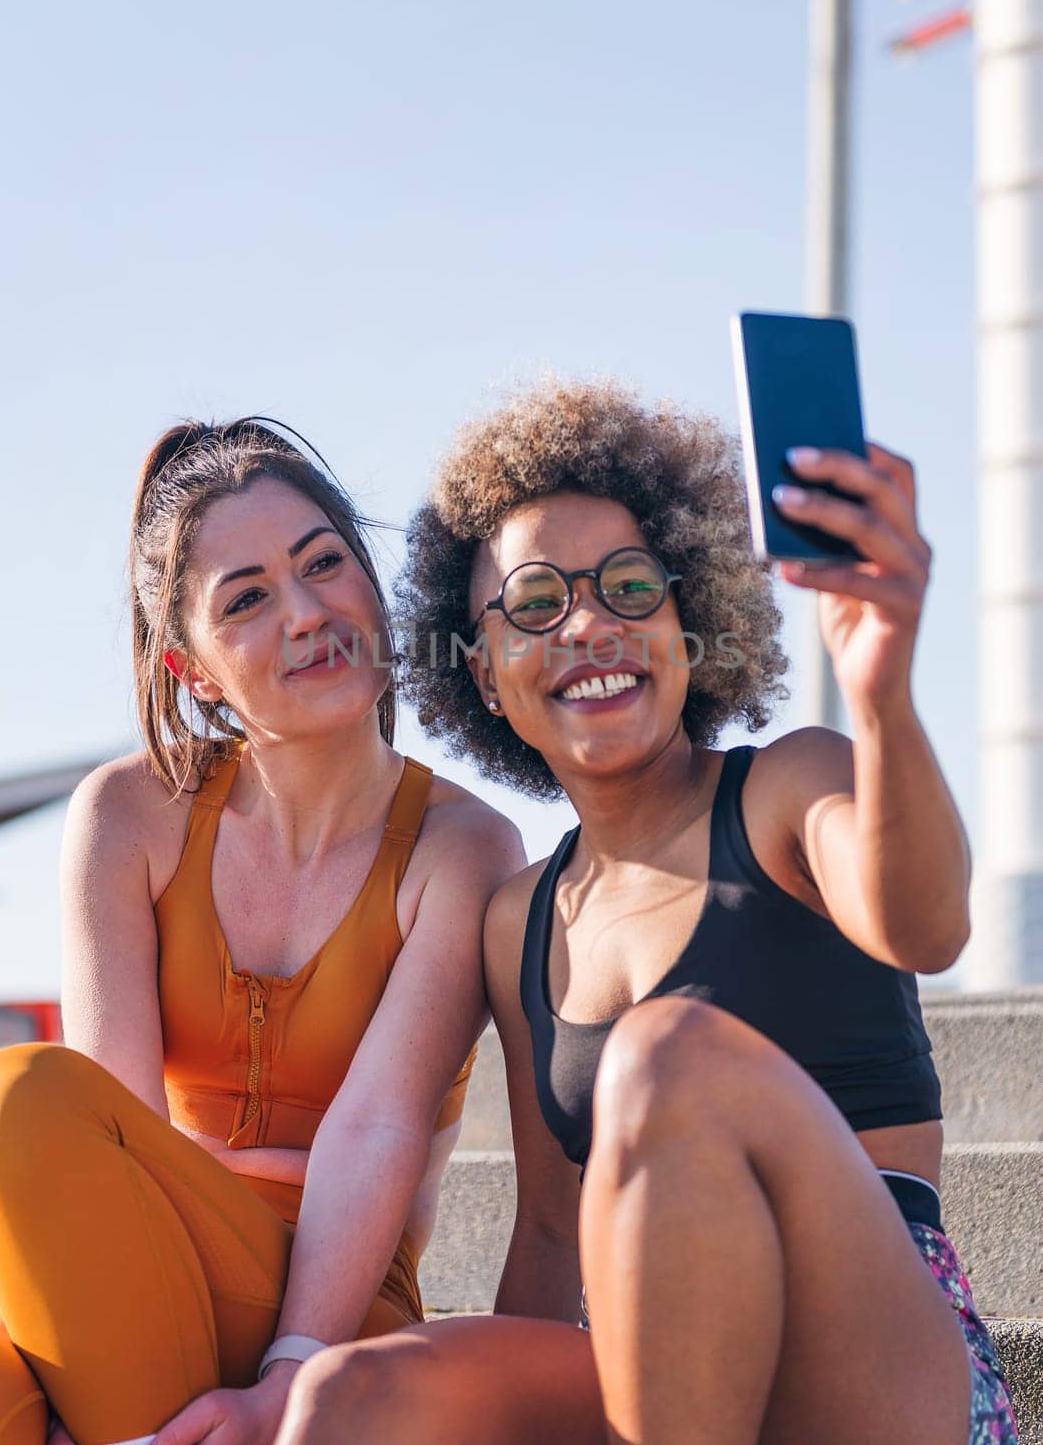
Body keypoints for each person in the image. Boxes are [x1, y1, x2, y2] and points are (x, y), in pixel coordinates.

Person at [275, 380, 1018, 1445]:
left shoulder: (789, 790)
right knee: (352, 1398)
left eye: (629, 585)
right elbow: (546, 1232)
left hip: (882, 1363)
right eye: (535, 603)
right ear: (485, 671)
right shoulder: (518, 919)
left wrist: (881, 685)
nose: (588, 623)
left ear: (688, 623)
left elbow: (927, 925)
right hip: (660, 1367)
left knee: (666, 1053)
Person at [0, 418, 523, 1445]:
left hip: (336, 1312)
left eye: (325, 564)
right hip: (146, 1272)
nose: (309, 613)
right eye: (248, 599)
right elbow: (109, 1134)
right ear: (193, 669)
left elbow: (376, 1128)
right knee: (21, 1118)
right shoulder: (130, 816)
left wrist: (291, 1374)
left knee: (18, 1092)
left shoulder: (463, 848)